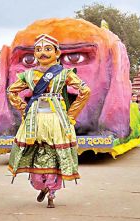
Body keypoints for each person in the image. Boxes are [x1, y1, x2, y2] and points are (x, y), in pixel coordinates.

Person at [6, 34, 90, 208]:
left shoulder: (64, 73)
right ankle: (43, 185)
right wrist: (24, 110)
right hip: (35, 119)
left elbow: (85, 91)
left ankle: (51, 190)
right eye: (38, 49)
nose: (42, 53)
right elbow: (11, 92)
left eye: (47, 49)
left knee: (55, 152)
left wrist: (71, 115)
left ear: (57, 53)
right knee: (34, 150)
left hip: (56, 119)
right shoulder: (28, 75)